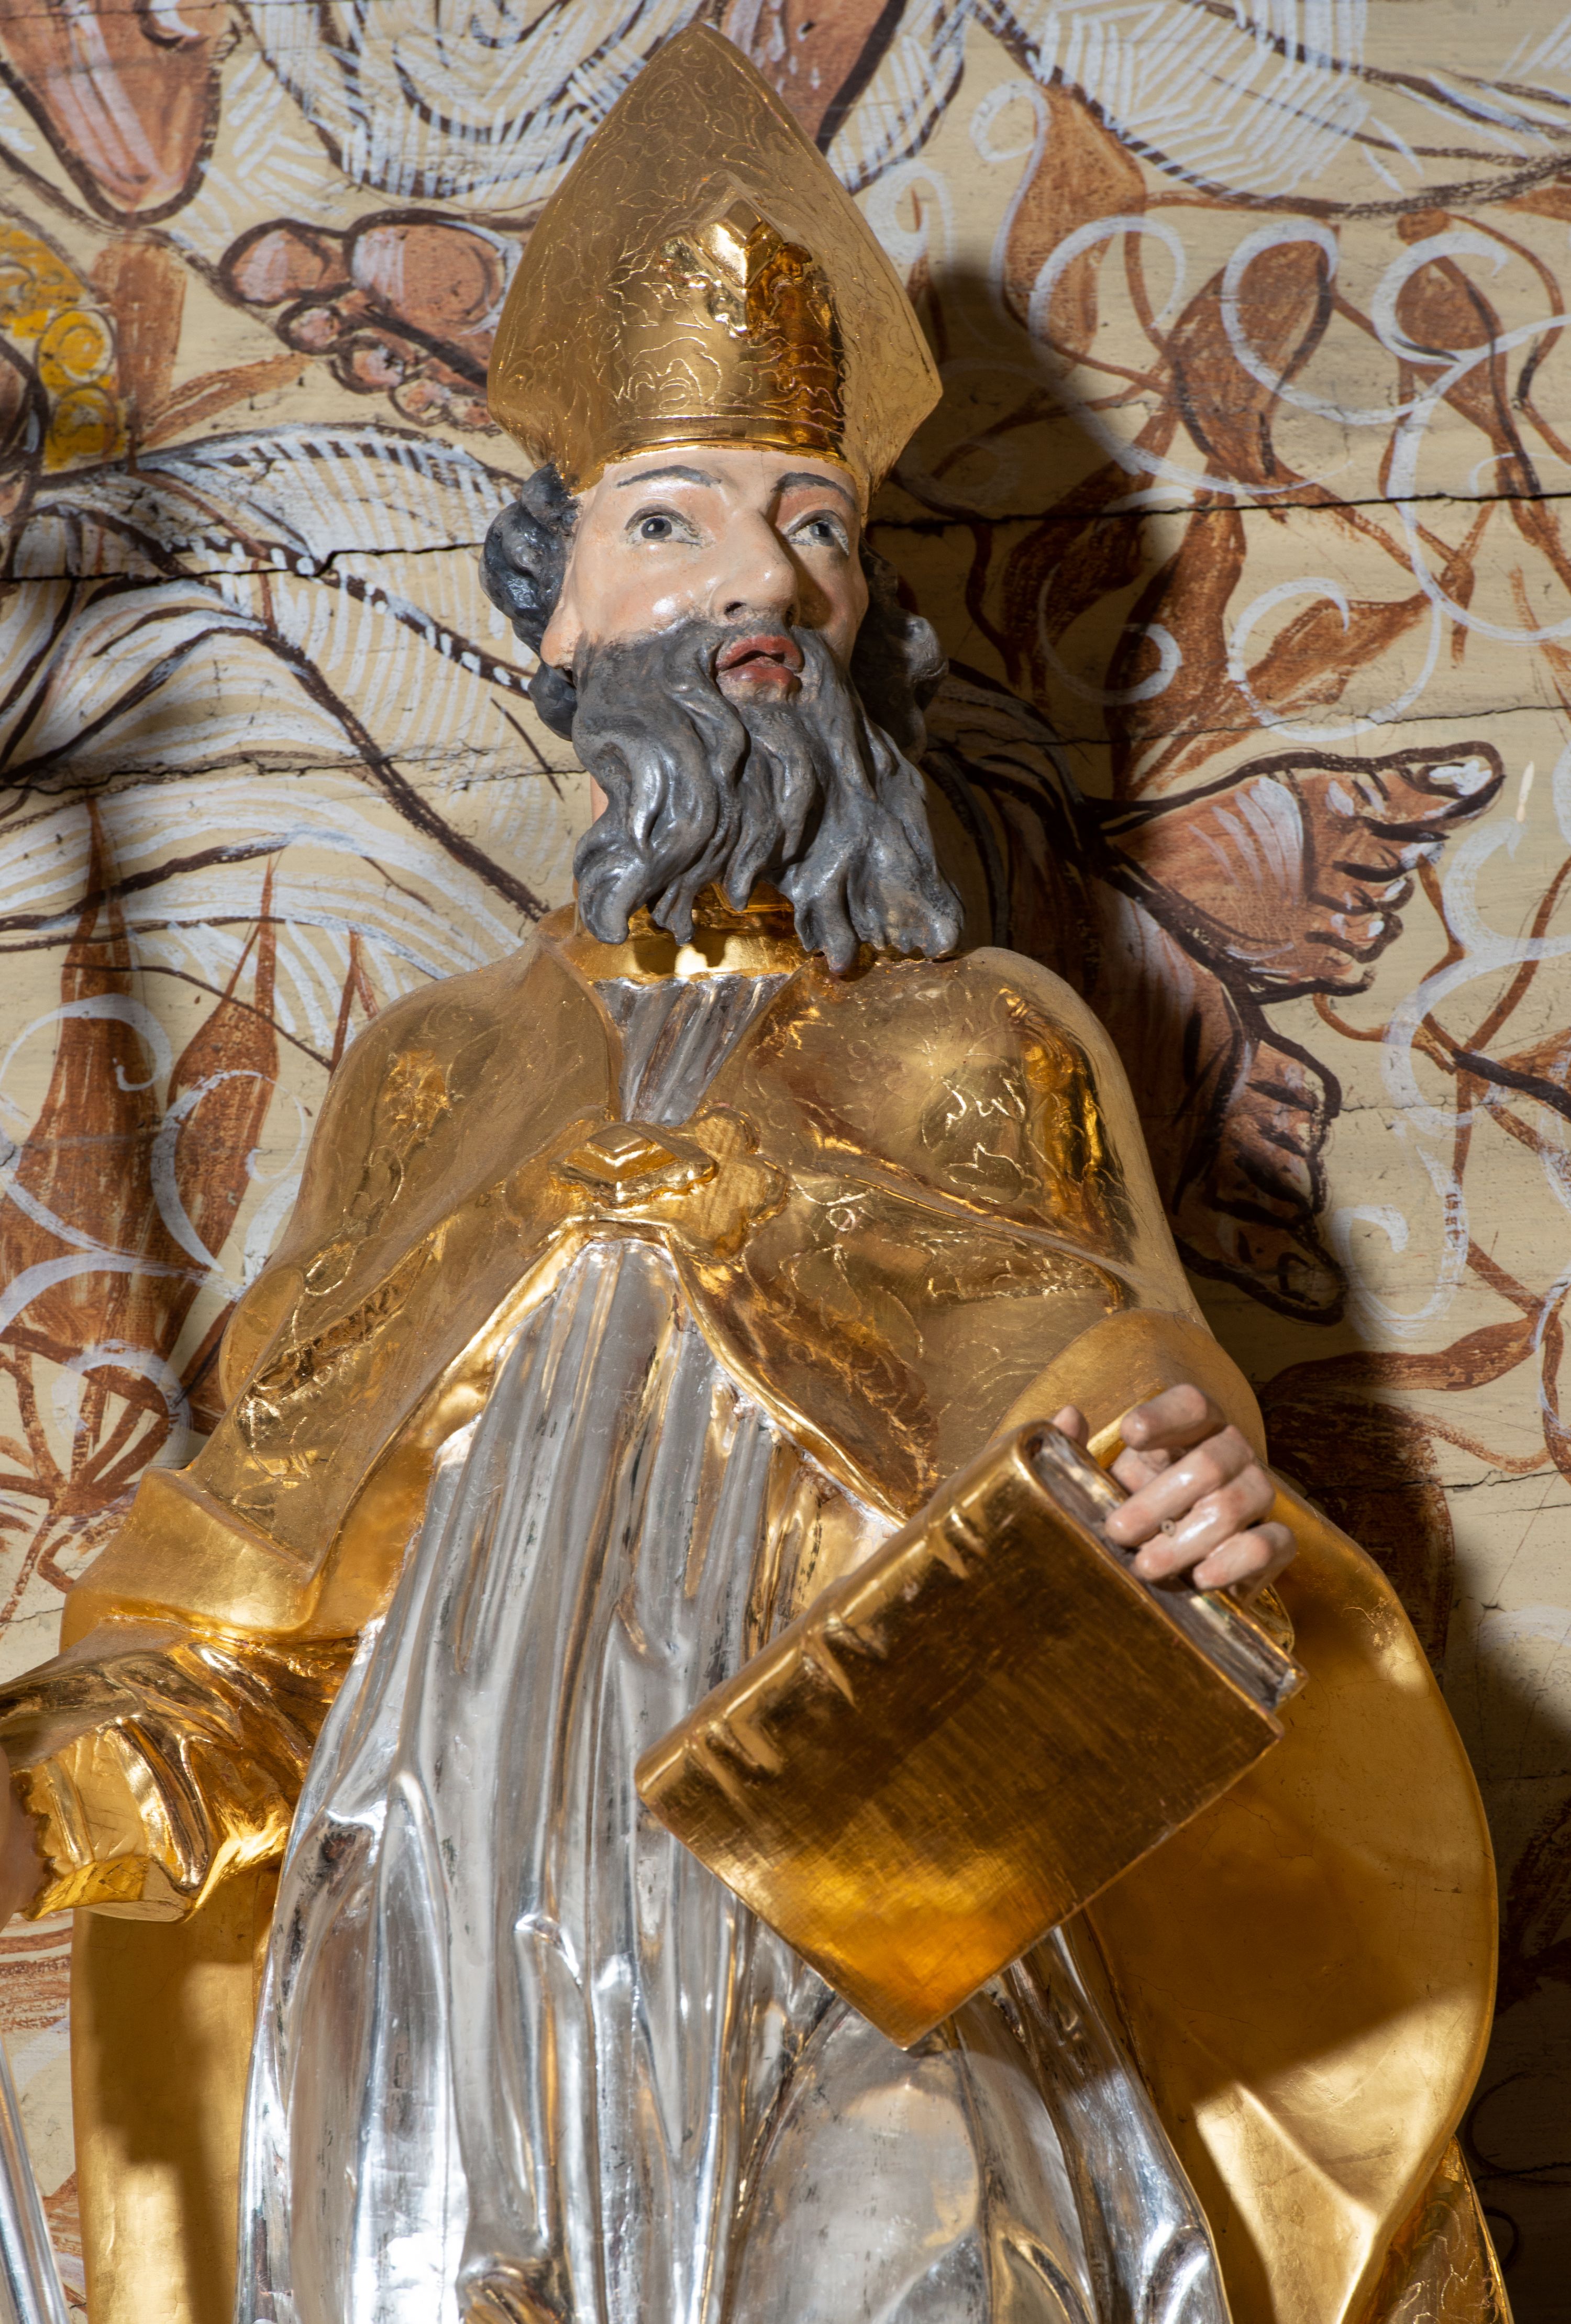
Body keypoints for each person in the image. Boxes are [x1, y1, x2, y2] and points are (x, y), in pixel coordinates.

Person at [0, 27, 1503, 2324]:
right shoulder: (435, 1068)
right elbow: (274, 1545)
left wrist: (1178, 1475)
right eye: (673, 519)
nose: (760, 589)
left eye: (814, 525)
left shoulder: (982, 1033)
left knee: (925, 2230)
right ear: (555, 606)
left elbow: (1119, 1378)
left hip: (869, 1873)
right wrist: (97, 1749)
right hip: (452, 1941)